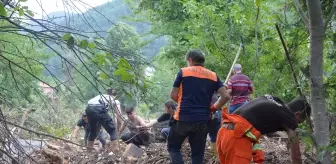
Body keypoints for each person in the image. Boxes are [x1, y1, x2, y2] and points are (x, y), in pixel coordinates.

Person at [169, 49, 230, 164]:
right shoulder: (213, 76)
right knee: (197, 154)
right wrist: (212, 108)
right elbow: (225, 96)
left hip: (183, 118)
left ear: (190, 60)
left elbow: (173, 95)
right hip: (202, 120)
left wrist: (183, 103)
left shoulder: (183, 72)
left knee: (174, 148)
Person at [216, 95, 311, 164]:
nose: (297, 125)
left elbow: (262, 123)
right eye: (299, 122)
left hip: (224, 131)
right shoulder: (290, 117)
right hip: (237, 137)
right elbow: (296, 157)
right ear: (297, 114)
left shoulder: (274, 100)